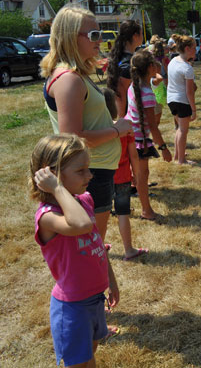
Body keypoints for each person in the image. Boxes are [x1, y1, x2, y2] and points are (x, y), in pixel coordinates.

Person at [41, 4, 132, 243]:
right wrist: (116, 130)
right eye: (93, 35)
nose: (99, 39)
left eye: (99, 33)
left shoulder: (76, 75)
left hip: (97, 169)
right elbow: (72, 138)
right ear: (71, 38)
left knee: (93, 244)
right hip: (92, 172)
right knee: (91, 247)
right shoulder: (69, 79)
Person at [30, 134, 119, 367]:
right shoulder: (48, 217)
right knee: (78, 361)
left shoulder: (83, 200)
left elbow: (97, 243)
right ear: (51, 175)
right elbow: (82, 225)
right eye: (81, 171)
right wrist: (57, 188)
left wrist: (111, 280)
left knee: (90, 352)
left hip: (94, 299)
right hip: (72, 307)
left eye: (88, 169)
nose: (89, 175)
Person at [126, 50, 172, 220]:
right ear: (151, 67)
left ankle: (143, 207)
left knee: (138, 175)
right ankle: (146, 210)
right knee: (142, 177)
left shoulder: (134, 87)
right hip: (140, 142)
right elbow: (153, 127)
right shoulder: (146, 94)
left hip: (132, 138)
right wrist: (164, 148)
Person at [103, 88, 148, 261]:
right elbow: (133, 155)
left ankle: (98, 246)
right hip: (122, 177)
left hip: (102, 177)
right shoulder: (125, 128)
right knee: (123, 213)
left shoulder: (97, 131)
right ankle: (128, 249)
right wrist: (136, 175)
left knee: (101, 212)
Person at [167, 35, 197, 165]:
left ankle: (177, 156)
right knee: (183, 131)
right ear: (187, 48)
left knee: (179, 128)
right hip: (182, 101)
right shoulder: (187, 68)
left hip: (171, 99)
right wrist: (194, 110)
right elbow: (189, 92)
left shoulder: (173, 61)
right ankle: (181, 160)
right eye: (194, 48)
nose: (196, 50)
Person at [106, 20, 144, 117]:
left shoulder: (123, 57)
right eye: (141, 33)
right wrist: (122, 120)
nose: (143, 36)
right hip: (130, 117)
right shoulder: (126, 64)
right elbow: (121, 96)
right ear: (135, 36)